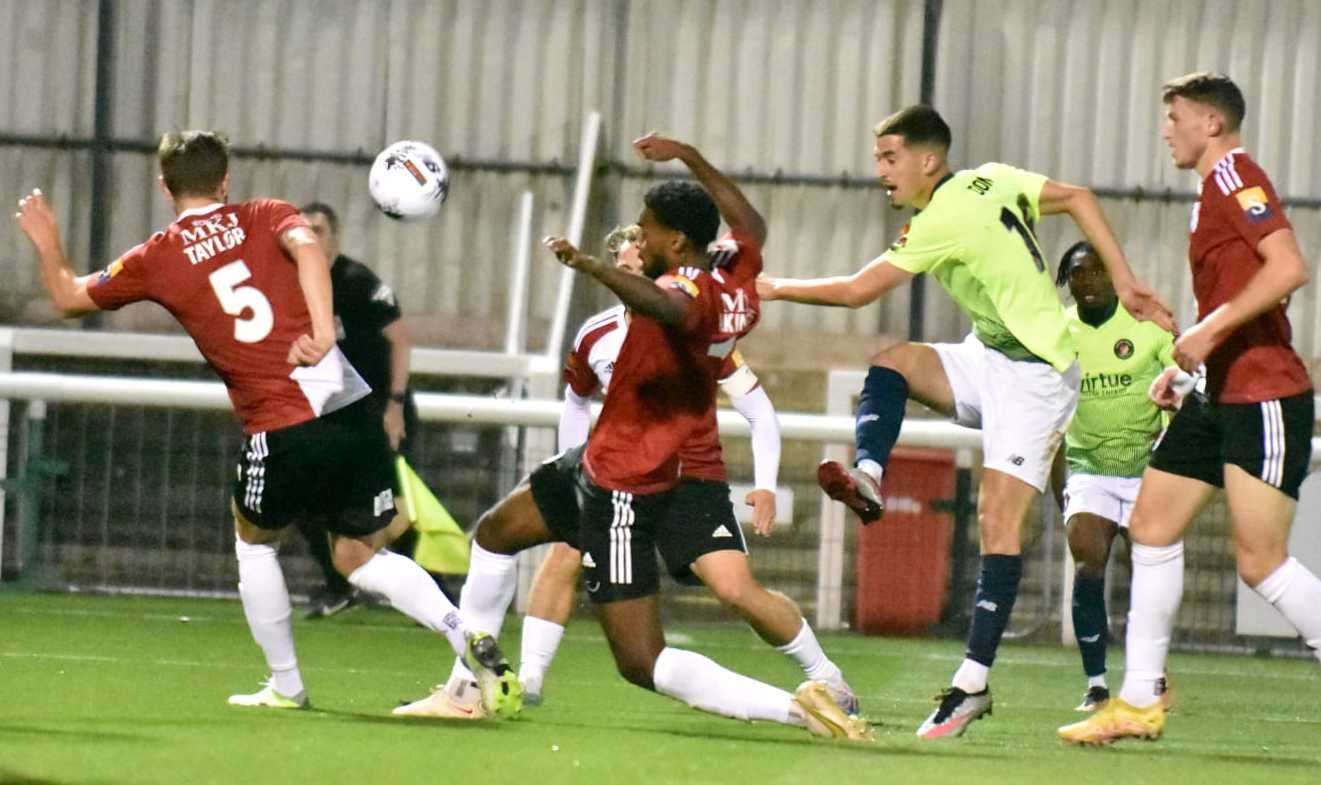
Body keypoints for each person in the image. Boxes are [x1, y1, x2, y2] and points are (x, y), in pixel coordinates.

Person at [12, 130, 519, 717]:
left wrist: (49, 243)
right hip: (349, 410)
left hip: (279, 424)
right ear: (225, 181)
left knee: (253, 542)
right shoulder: (267, 213)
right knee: (360, 555)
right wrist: (325, 330)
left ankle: (286, 685)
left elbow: (69, 297)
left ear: (163, 187)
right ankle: (466, 637)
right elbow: (307, 250)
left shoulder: (156, 256)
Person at [395, 133, 869, 741]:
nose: (635, 239)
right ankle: (471, 687)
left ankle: (802, 707)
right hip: (597, 464)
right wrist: (692, 157)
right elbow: (749, 221)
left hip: (624, 484)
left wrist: (591, 266)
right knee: (494, 533)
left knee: (642, 662)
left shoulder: (686, 296)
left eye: (645, 232)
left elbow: (668, 308)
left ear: (674, 243)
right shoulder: (732, 273)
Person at [757, 105, 1172, 739]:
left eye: (890, 159)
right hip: (988, 356)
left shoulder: (945, 216)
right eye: (878, 160)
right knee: (893, 365)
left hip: (1036, 379)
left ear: (929, 160)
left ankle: (971, 685)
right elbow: (1082, 197)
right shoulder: (992, 179)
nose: (881, 173)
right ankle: (869, 475)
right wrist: (1127, 279)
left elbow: (856, 291)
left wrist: (774, 287)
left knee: (996, 521)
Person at [1060, 73, 1321, 745]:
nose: (1164, 129)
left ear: (1209, 122)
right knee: (1149, 525)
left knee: (1260, 562)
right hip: (1216, 393)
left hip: (1264, 393)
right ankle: (1140, 698)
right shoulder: (1210, 192)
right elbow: (1235, 293)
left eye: (1173, 116)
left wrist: (1204, 334)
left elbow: (1290, 265)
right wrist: (1184, 370)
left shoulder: (1235, 175)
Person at [516, 224, 857, 714]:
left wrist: (765, 486)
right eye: (626, 267)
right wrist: (577, 474)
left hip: (690, 478)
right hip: (619, 478)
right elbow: (575, 402)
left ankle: (828, 678)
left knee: (735, 589)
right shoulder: (597, 335)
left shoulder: (695, 328)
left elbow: (759, 411)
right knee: (564, 555)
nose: (635, 271)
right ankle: (528, 679)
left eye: (641, 262)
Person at [1048, 241, 1178, 712]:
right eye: (1077, 274)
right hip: (1088, 468)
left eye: (1097, 271)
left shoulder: (1147, 325)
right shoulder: (1057, 332)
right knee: (1087, 562)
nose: (1087, 282)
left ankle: (1152, 675)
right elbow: (1046, 405)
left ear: (1115, 275)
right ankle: (1097, 684)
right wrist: (1056, 479)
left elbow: (1182, 386)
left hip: (1148, 468)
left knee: (1149, 575)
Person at [295, 201, 422, 619]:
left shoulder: (356, 282)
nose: (312, 238)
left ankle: (427, 591)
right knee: (302, 499)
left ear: (335, 236)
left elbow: (400, 340)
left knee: (396, 510)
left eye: (320, 229)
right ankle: (341, 585)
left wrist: (396, 407)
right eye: (304, 230)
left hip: (378, 411)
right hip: (331, 415)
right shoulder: (291, 283)